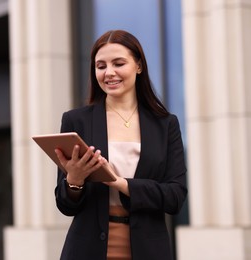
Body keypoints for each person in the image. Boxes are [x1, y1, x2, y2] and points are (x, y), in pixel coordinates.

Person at [54, 29, 188, 260]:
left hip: (148, 249)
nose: (109, 73)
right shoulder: (76, 121)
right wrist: (74, 181)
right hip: (86, 249)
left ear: (138, 66)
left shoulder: (165, 124)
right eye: (101, 66)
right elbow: (66, 206)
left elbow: (175, 197)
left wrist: (120, 183)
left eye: (118, 63)